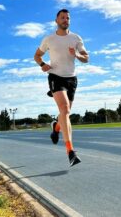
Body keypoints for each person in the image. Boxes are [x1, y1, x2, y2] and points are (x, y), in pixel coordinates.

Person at [34, 9, 89, 166]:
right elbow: (36, 55)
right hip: (55, 77)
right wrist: (43, 64)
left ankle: (56, 127)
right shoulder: (49, 39)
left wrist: (77, 55)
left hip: (71, 79)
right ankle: (70, 151)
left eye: (68, 18)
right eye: (63, 18)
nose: (66, 20)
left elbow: (86, 58)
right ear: (56, 20)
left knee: (65, 113)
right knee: (64, 110)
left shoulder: (76, 38)